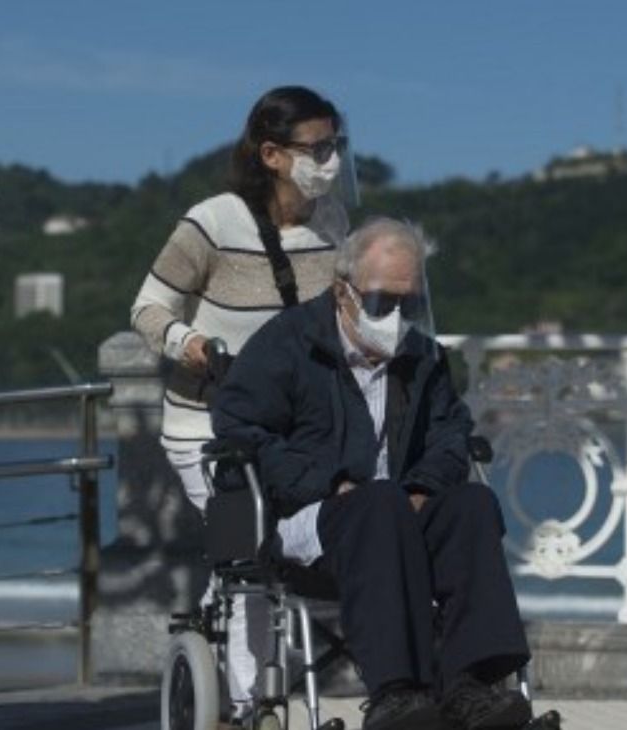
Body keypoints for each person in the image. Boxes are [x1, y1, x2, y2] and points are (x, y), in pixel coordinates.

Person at [212, 218, 534, 730]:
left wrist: (423, 488)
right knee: (377, 502)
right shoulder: (288, 344)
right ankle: (395, 694)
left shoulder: (424, 357)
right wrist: (328, 483)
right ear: (344, 292)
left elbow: (452, 433)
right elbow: (238, 426)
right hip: (309, 518)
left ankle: (472, 685)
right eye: (385, 303)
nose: (399, 317)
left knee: (471, 505)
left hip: (395, 511)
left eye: (412, 304)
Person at [130, 85, 350, 721]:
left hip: (292, 428)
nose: (331, 160)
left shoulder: (332, 222)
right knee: (252, 554)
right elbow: (147, 309)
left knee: (288, 544)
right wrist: (192, 343)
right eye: (320, 148)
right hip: (209, 421)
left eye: (338, 145)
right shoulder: (213, 222)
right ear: (273, 154)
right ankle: (252, 706)